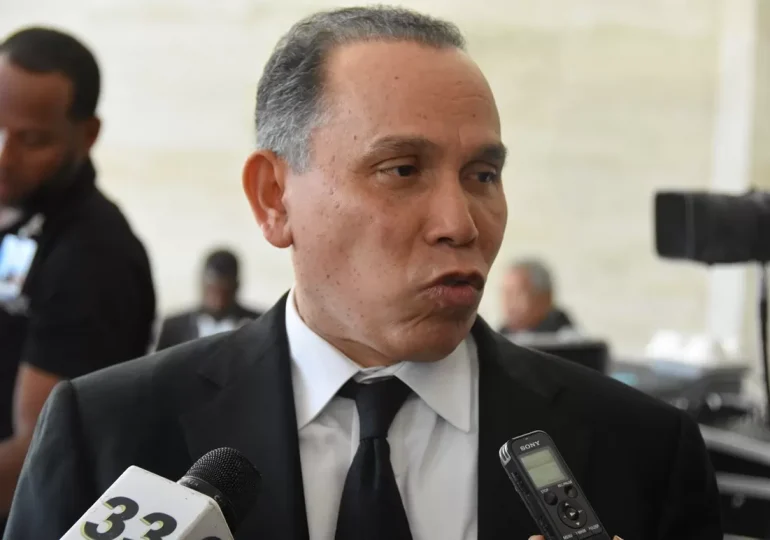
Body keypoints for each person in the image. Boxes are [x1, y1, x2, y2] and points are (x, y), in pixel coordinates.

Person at [6, 7, 720, 540]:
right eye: (401, 170)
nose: (461, 222)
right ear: (274, 198)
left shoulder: (642, 451)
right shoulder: (107, 434)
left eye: (483, 174)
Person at [0, 27, 155, 532]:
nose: (3, 156)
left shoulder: (93, 256)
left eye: (32, 140)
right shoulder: (18, 208)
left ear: (86, 135)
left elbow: (34, 458)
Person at [155, 248, 262, 350]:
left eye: (225, 290)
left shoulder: (257, 324)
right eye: (212, 289)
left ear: (236, 287)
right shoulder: (174, 327)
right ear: (201, 284)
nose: (218, 299)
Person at [500, 258, 574, 336]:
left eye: (518, 294)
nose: (510, 302)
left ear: (545, 298)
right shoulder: (500, 336)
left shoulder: (567, 338)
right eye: (507, 294)